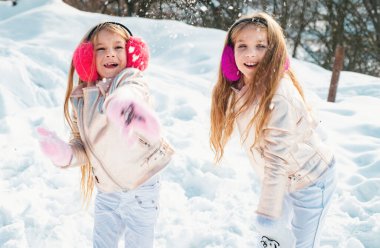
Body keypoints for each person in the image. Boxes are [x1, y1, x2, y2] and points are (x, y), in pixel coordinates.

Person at [36, 22, 174, 248]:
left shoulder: (130, 78)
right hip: (107, 193)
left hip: (141, 188)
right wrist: (66, 154)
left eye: (118, 47)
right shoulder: (81, 99)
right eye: (101, 49)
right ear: (87, 56)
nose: (110, 53)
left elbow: (132, 90)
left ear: (131, 53)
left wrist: (122, 103)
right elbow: (83, 146)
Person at [210, 12, 336, 248]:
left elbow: (276, 159)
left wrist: (267, 214)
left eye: (261, 46)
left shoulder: (278, 95)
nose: (250, 53)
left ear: (274, 52)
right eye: (242, 46)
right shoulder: (241, 88)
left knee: (300, 243)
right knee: (271, 243)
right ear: (230, 53)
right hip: (283, 179)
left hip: (311, 180)